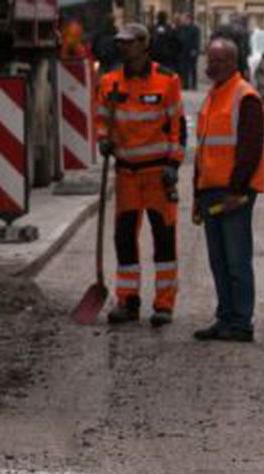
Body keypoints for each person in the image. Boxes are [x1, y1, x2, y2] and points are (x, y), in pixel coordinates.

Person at [95, 23, 186, 327]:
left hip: (158, 173)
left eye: (129, 42)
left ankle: (164, 305)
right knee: (124, 239)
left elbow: (177, 126)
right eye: (120, 42)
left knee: (164, 239)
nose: (122, 47)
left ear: (144, 45)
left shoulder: (168, 80)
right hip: (126, 174)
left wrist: (174, 164)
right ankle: (128, 301)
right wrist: (103, 138)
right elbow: (102, 118)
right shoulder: (109, 81)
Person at [192, 38, 264, 342]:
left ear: (234, 62)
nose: (213, 65)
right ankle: (225, 319)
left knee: (236, 260)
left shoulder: (245, 96)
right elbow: (203, 149)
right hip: (211, 190)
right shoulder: (213, 96)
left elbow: (250, 149)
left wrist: (237, 190)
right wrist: (197, 194)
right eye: (211, 59)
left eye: (220, 60)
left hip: (234, 192)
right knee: (219, 261)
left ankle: (241, 323)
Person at [174, 13, 202, 90]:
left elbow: (197, 40)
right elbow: (179, 38)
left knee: (192, 68)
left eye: (184, 19)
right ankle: (185, 84)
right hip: (183, 51)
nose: (183, 20)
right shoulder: (181, 28)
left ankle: (194, 85)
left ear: (189, 19)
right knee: (184, 68)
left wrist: (195, 50)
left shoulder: (195, 28)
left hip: (192, 51)